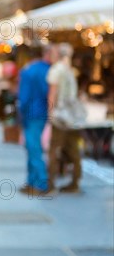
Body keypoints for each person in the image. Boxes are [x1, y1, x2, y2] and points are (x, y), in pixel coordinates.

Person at [47, 43, 83, 193]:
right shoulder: (70, 71)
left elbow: (53, 93)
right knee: (73, 149)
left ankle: (50, 184)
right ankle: (75, 182)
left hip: (60, 115)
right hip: (72, 116)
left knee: (54, 149)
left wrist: (50, 112)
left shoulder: (57, 70)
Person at [17, 45, 51, 195]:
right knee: (34, 147)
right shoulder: (48, 69)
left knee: (33, 148)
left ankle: (40, 183)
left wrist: (21, 113)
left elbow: (23, 98)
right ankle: (32, 181)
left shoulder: (28, 71)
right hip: (44, 112)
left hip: (31, 113)